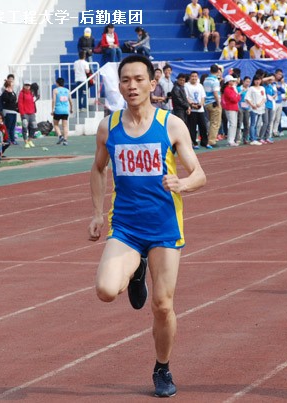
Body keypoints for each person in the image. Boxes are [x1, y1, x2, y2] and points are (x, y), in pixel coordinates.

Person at [88, 55, 206, 399]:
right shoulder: (108, 127)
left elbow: (199, 174)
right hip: (125, 226)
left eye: (139, 79)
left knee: (162, 306)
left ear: (153, 83)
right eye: (126, 80)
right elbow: (98, 168)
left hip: (164, 227)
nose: (132, 86)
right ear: (119, 85)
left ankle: (162, 367)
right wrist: (97, 213)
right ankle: (136, 269)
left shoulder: (171, 125)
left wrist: (183, 184)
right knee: (106, 290)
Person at [184, 71, 209, 149]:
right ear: (190, 77)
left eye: (195, 76)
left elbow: (203, 97)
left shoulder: (200, 85)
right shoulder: (186, 85)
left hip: (200, 110)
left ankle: (204, 142)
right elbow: (186, 97)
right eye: (192, 76)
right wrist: (192, 105)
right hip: (192, 110)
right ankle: (194, 143)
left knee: (203, 126)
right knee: (192, 127)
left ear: (197, 77)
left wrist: (201, 104)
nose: (194, 78)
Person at [203, 64, 222, 147]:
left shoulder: (206, 79)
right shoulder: (215, 81)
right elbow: (215, 93)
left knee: (210, 122)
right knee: (215, 123)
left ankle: (209, 139)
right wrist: (219, 103)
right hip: (214, 103)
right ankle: (211, 141)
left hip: (207, 102)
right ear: (217, 71)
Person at [52, 77, 73, 146]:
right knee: (65, 126)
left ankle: (60, 136)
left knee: (55, 124)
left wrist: (52, 109)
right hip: (65, 111)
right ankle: (65, 140)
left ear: (57, 83)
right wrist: (71, 109)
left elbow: (54, 100)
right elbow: (70, 101)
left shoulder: (55, 90)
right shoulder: (67, 90)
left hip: (58, 110)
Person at [18, 81, 39, 148]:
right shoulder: (21, 93)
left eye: (28, 85)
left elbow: (34, 101)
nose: (27, 86)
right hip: (24, 113)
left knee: (34, 126)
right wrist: (22, 113)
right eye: (26, 85)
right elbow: (20, 104)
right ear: (24, 85)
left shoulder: (31, 93)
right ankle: (26, 141)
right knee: (25, 126)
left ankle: (30, 140)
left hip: (32, 113)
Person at [221, 74, 241, 146]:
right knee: (232, 124)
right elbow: (234, 99)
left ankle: (231, 140)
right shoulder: (227, 89)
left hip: (234, 108)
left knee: (233, 124)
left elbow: (237, 98)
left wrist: (237, 96)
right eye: (232, 81)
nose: (233, 82)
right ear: (228, 82)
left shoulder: (231, 89)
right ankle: (230, 140)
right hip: (230, 108)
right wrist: (237, 96)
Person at [0, 80, 19, 145]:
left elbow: (14, 100)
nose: (13, 85)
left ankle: (13, 140)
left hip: (14, 112)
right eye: (12, 84)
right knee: (8, 127)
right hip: (8, 112)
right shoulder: (5, 93)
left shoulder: (13, 92)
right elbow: (8, 100)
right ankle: (7, 139)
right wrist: (9, 92)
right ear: (9, 85)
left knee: (13, 127)